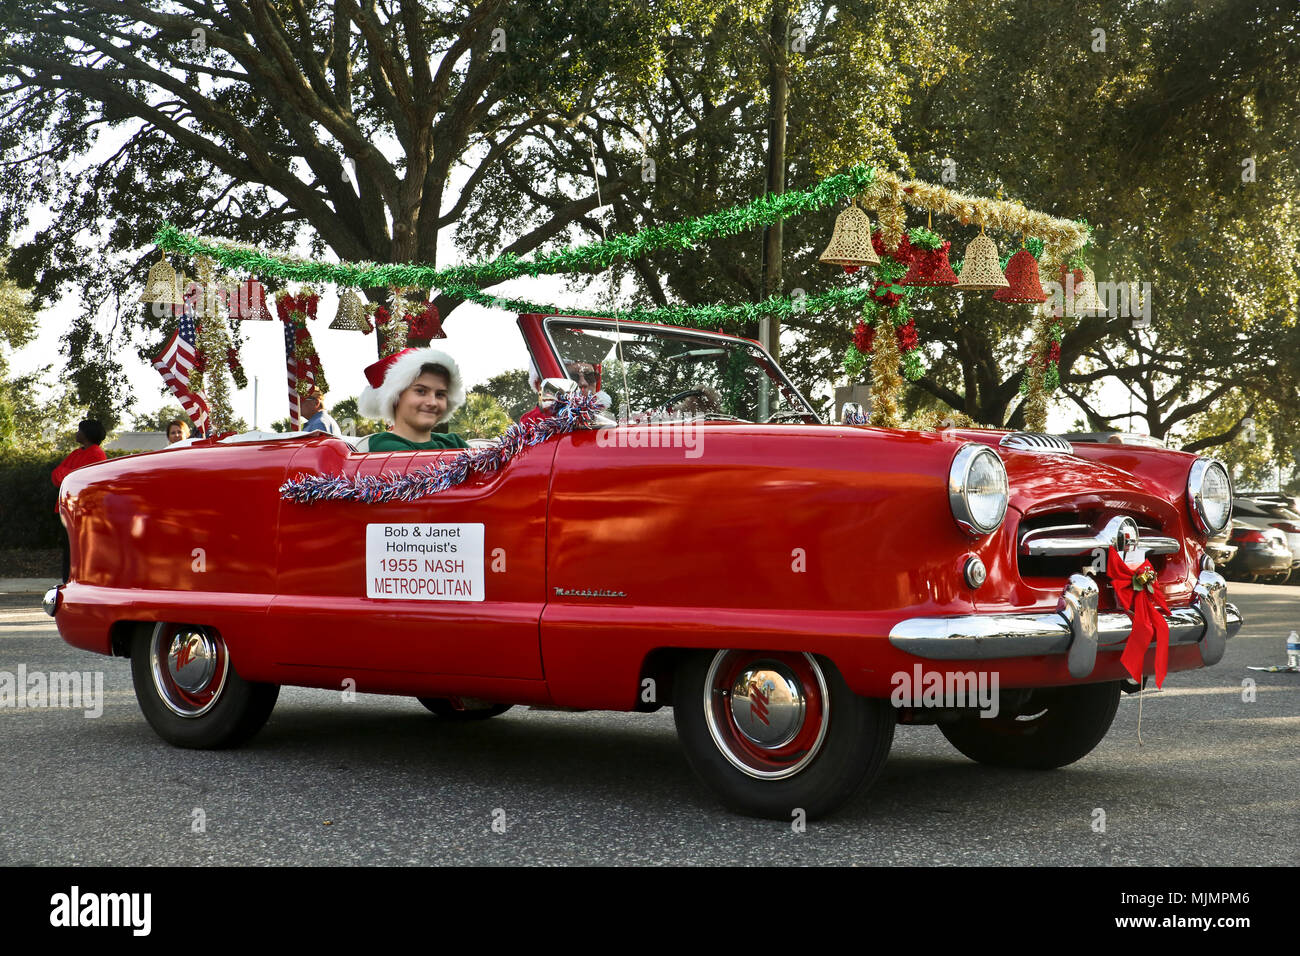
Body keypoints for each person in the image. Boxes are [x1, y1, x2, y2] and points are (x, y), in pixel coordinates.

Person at [357, 346, 470, 451]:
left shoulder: (453, 443)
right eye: (421, 391)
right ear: (395, 398)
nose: (432, 402)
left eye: (440, 394)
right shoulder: (386, 446)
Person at [52, 419, 108, 582]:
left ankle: (80, 580)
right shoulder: (76, 453)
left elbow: (79, 479)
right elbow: (57, 475)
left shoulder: (96, 453)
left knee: (80, 549)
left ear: (87, 434)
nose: (77, 433)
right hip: (67, 508)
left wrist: (66, 473)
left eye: (79, 430)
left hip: (83, 510)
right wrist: (67, 474)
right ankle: (68, 580)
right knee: (68, 549)